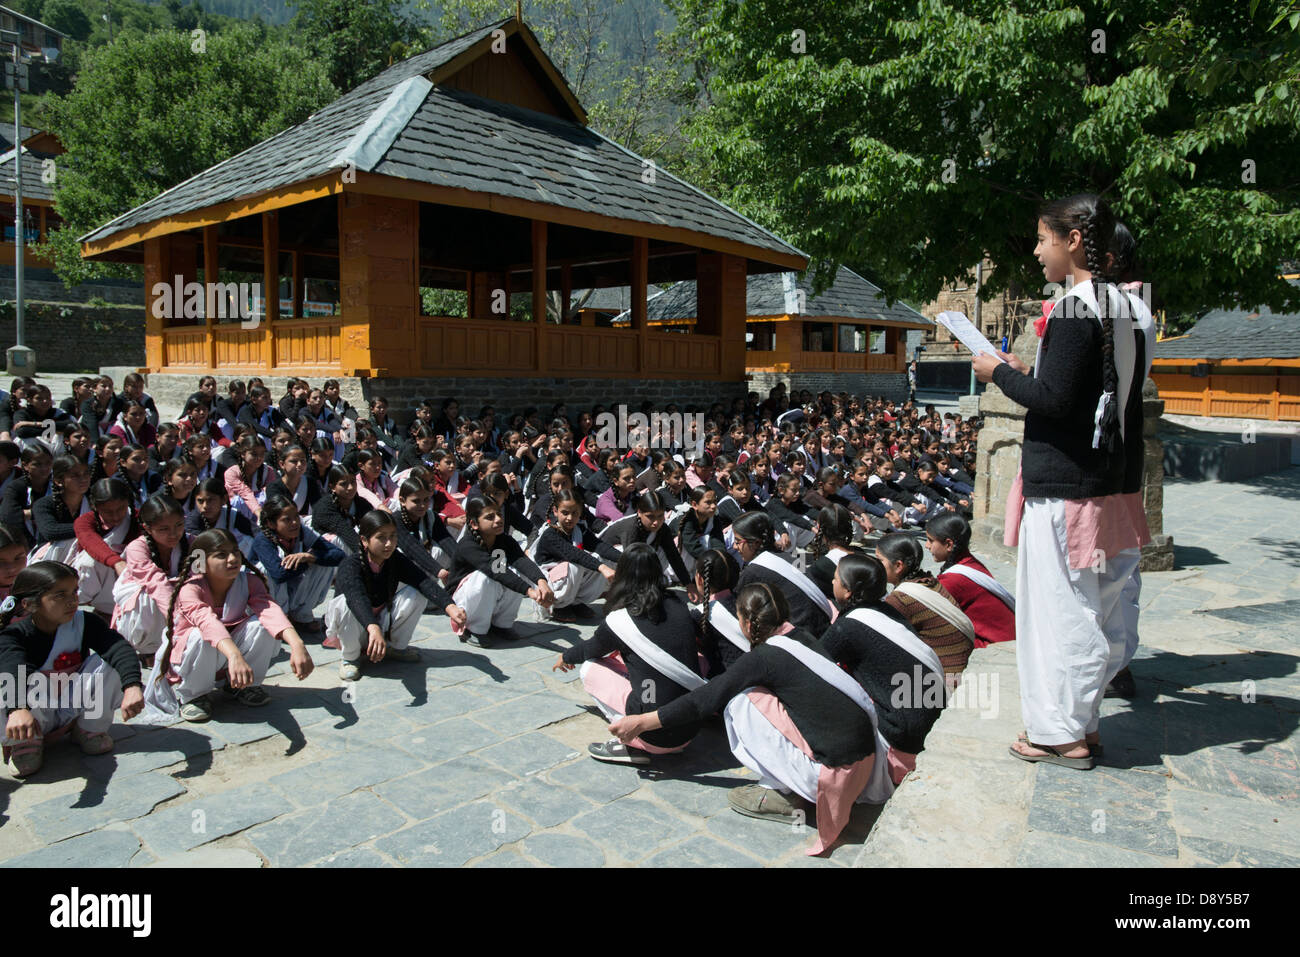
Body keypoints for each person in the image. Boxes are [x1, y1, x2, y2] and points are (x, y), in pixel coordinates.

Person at [971, 192, 1147, 770]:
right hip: (1104, 482)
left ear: (1073, 240)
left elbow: (1054, 401)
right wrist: (1031, 374)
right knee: (1090, 607)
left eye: (1044, 240)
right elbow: (1084, 395)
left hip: (1067, 488)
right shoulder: (1123, 308)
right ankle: (1082, 724)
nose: (1039, 253)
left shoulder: (1074, 310)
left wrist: (999, 373)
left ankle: (1058, 733)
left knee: (1057, 613)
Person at [608, 581, 893, 855]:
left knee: (741, 703)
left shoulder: (765, 656)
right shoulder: (802, 636)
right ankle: (794, 781)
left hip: (831, 777)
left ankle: (780, 791)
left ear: (746, 623)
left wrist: (642, 722)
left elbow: (703, 701)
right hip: (863, 767)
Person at [553, 542, 705, 764]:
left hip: (654, 736)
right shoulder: (677, 602)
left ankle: (630, 740)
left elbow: (589, 649)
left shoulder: (620, 619)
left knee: (590, 668)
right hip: (690, 728)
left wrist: (566, 656)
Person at [145, 530, 313, 723]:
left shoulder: (249, 582)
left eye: (235, 551)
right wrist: (235, 655)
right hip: (197, 656)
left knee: (262, 625)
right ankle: (194, 695)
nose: (232, 559)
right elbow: (208, 623)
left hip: (229, 656)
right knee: (200, 635)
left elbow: (270, 611)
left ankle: (244, 686)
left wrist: (297, 644)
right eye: (221, 555)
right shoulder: (191, 589)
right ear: (201, 561)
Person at [0, 561, 144, 777]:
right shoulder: (14, 635)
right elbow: (13, 670)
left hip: (71, 704)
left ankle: (89, 728)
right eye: (60, 595)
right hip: (34, 713)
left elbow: (117, 647)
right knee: (9, 684)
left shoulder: (84, 622)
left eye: (74, 591)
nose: (72, 600)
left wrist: (132, 685)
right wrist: (17, 709)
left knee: (111, 661)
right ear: (30, 605)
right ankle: (25, 742)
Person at [820, 553, 944, 781]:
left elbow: (815, 663)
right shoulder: (888, 610)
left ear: (848, 591)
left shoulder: (847, 628)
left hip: (902, 732)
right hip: (928, 718)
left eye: (836, 579)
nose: (832, 582)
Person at [326, 509, 466, 681]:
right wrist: (373, 627)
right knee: (344, 603)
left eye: (392, 536)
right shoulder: (350, 565)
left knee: (416, 593)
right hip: (355, 626)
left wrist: (450, 606)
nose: (389, 543)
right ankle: (350, 657)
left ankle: (395, 647)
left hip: (379, 624)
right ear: (364, 540)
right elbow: (357, 598)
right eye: (381, 537)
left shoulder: (395, 559)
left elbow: (423, 581)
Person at [445, 495, 554, 648]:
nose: (498, 519)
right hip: (464, 600)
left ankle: (501, 624)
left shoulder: (503, 539)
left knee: (516, 573)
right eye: (490, 517)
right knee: (487, 577)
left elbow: (521, 560)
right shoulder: (467, 545)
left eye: (499, 514)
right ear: (474, 524)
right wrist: (530, 592)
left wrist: (541, 582)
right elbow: (495, 571)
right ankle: (475, 628)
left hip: (489, 588)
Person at [876, 532, 974, 675]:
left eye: (880, 560)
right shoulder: (928, 580)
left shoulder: (901, 599)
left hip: (944, 677)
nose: (875, 565)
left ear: (898, 566)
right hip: (961, 663)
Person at [251, 495, 344, 635]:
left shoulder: (302, 532)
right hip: (265, 595)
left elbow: (338, 555)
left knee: (321, 560)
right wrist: (305, 562)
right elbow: (278, 574)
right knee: (268, 568)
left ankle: (301, 616)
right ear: (271, 523)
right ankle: (280, 617)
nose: (294, 522)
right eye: (286, 520)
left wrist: (309, 557)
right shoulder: (262, 540)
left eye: (296, 517)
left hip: (290, 585)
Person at [111, 495, 188, 662]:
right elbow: (156, 583)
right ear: (147, 528)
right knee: (148, 596)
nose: (174, 534)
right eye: (164, 529)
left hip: (181, 602)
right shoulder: (136, 548)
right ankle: (149, 648)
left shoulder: (193, 543)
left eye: (179, 525)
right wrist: (177, 620)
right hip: (149, 605)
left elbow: (199, 577)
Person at [733, 511, 834, 633]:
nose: (734, 547)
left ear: (756, 543)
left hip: (803, 634)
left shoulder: (752, 572)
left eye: (738, 541)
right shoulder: (794, 557)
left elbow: (737, 609)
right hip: (825, 622)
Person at [926, 512, 1015, 647]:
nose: (927, 545)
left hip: (996, 643)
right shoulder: (969, 561)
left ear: (949, 544)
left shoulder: (953, 580)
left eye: (931, 540)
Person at [529, 488, 618, 621]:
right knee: (577, 565)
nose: (570, 518)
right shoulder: (550, 534)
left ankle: (575, 602)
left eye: (574, 513)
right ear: (555, 511)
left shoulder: (579, 529)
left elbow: (599, 546)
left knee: (601, 559)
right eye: (565, 513)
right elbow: (573, 554)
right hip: (550, 583)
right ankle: (560, 606)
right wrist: (602, 568)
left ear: (580, 513)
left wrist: (626, 558)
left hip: (567, 579)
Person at [71, 478, 140, 618]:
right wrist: (116, 562)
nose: (115, 516)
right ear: (95, 507)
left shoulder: (139, 519)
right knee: (90, 560)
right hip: (102, 579)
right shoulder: (85, 521)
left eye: (121, 509)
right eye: (108, 512)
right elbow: (90, 541)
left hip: (131, 576)